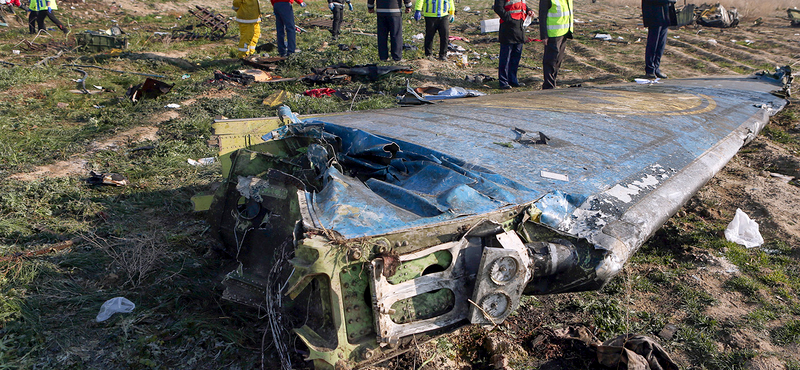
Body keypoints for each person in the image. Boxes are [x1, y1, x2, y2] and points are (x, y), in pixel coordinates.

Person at [494, 0, 534, 89]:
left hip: (519, 28)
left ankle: (513, 80)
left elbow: (522, 5)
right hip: (508, 28)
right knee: (506, 57)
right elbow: (498, 8)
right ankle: (503, 81)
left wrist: (528, 11)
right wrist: (509, 18)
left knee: (516, 57)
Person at [539, 0, 573, 89]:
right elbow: (542, 15)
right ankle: (548, 86)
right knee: (551, 60)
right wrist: (544, 35)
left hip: (564, 31)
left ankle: (552, 83)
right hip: (553, 34)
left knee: (558, 61)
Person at [642, 0, 676, 79]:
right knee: (653, 42)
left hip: (665, 12)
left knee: (661, 44)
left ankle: (656, 68)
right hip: (654, 13)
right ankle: (650, 70)